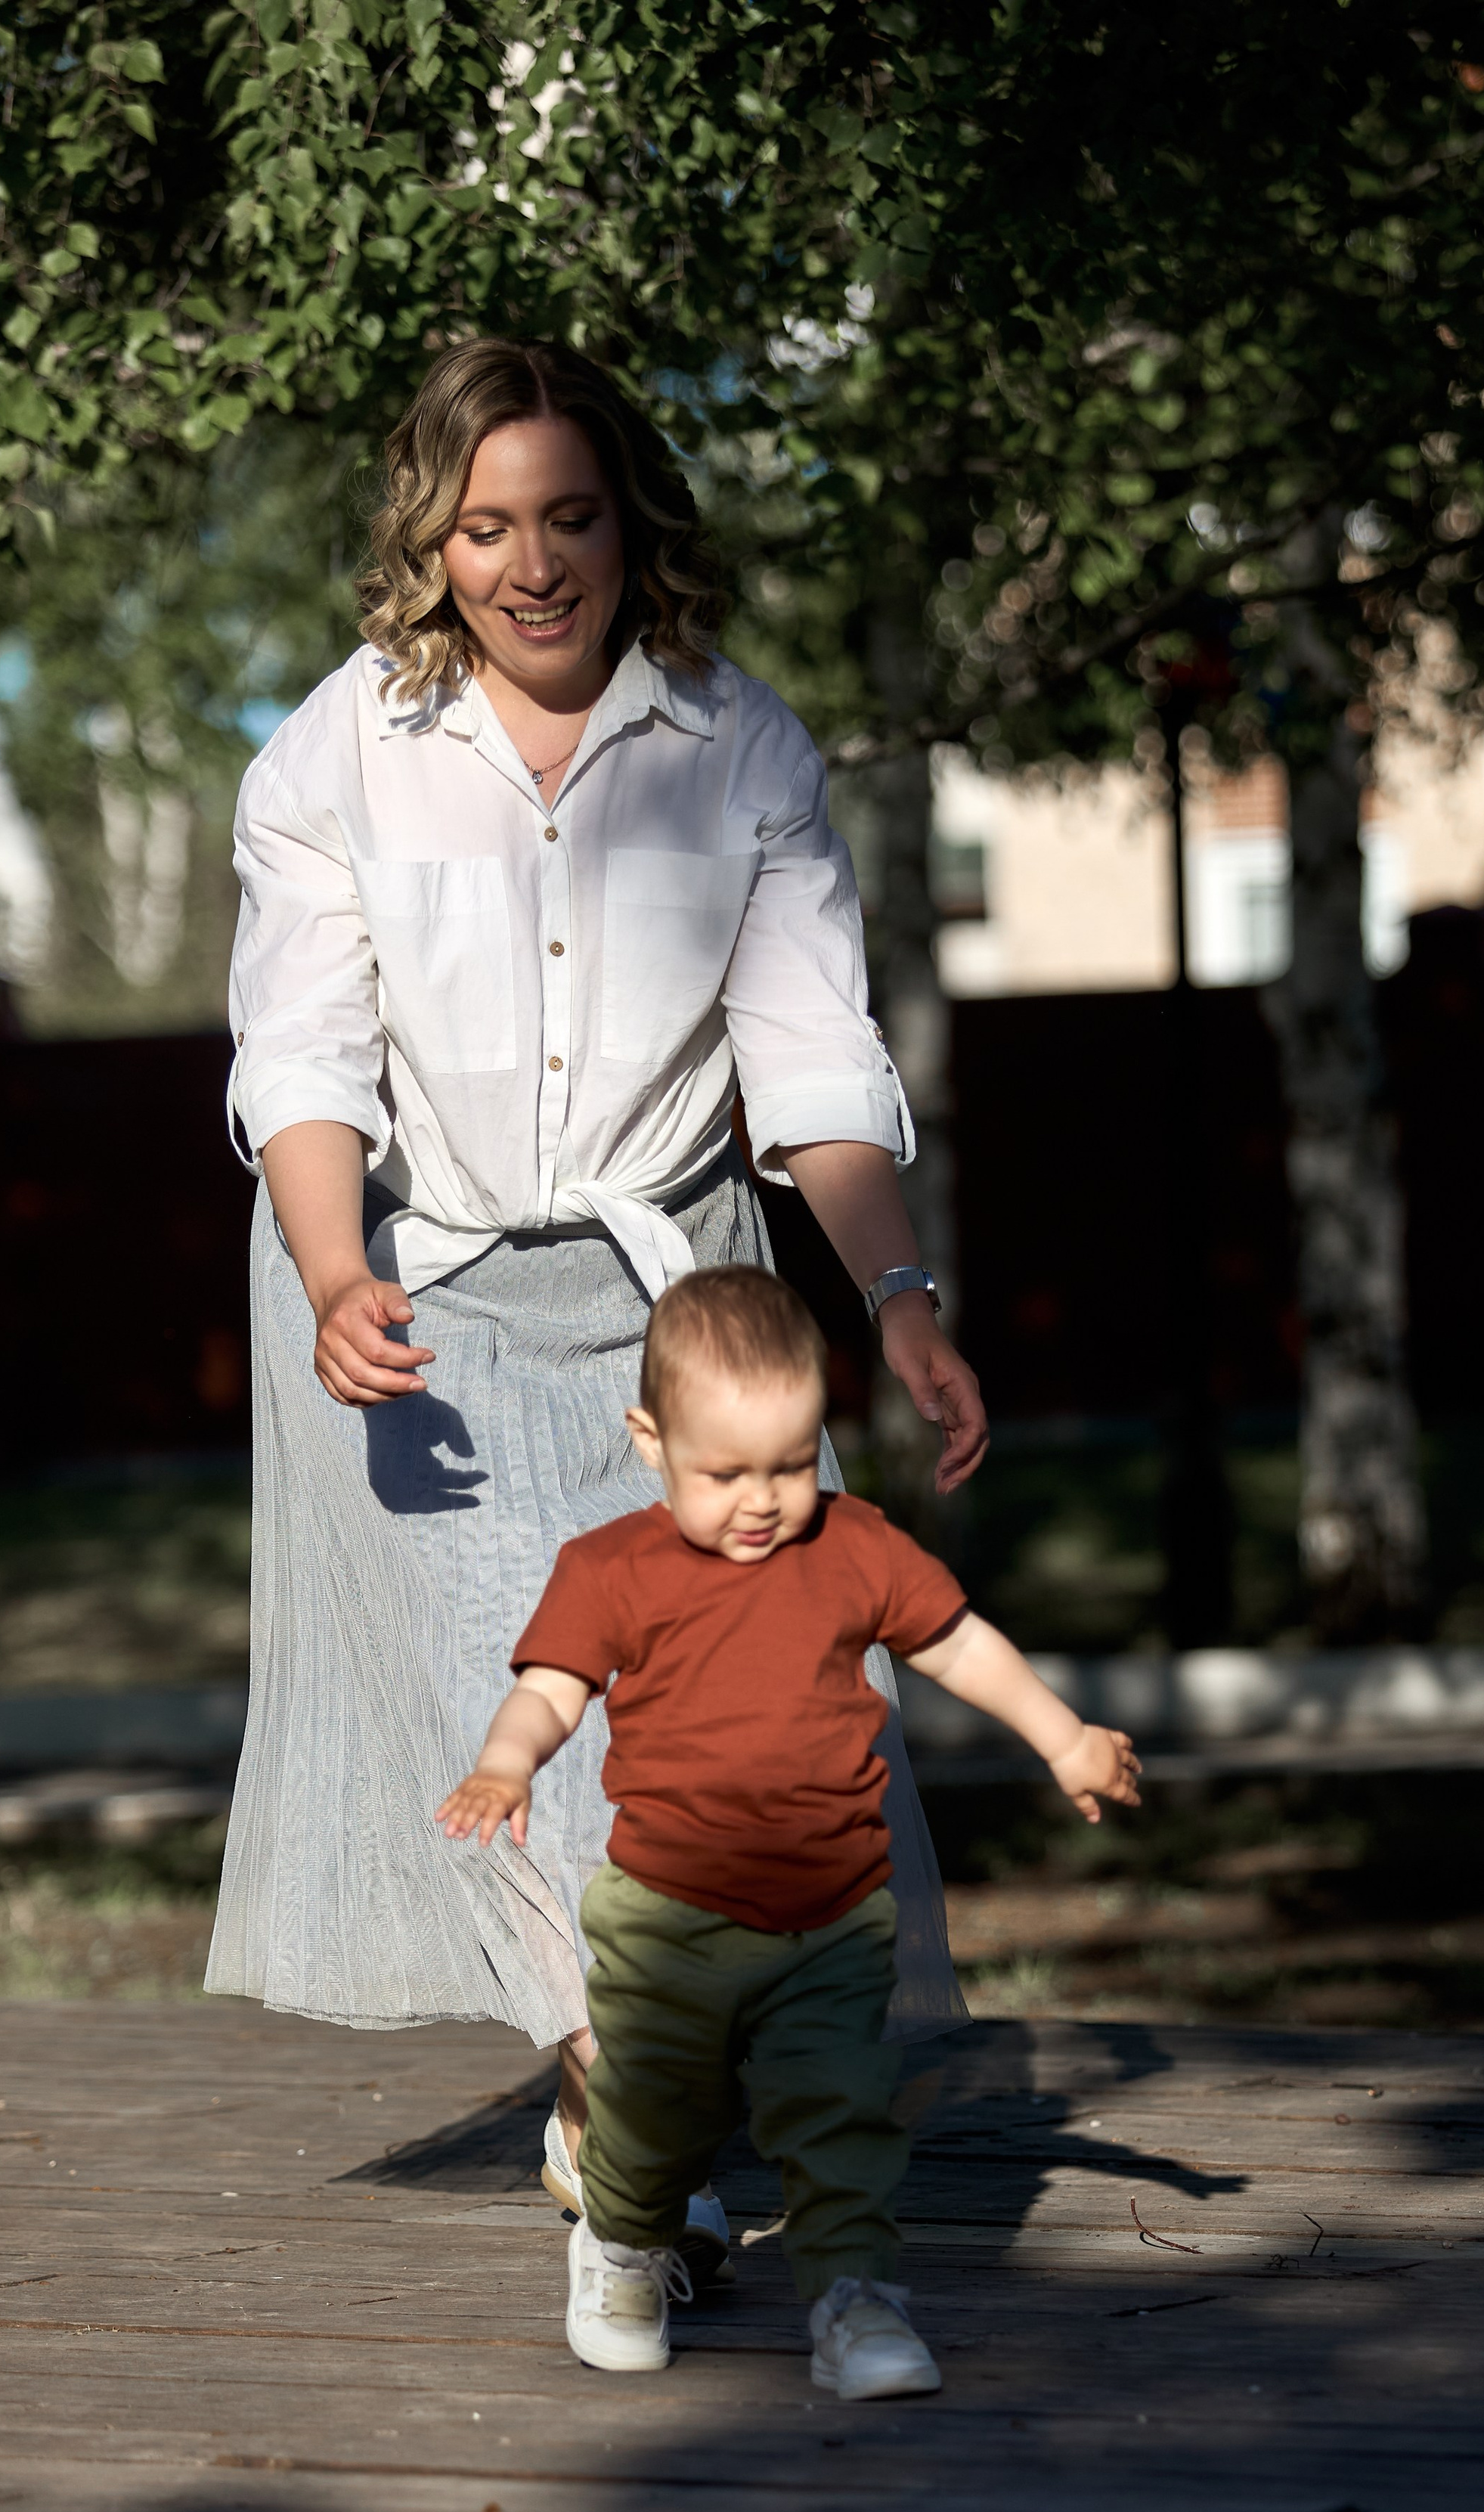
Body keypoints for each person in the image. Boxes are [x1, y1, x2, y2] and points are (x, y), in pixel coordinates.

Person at [207, 338, 988, 2269]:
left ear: (633, 523)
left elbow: (813, 1060)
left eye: (567, 517)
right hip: (413, 1289)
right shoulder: (339, 750)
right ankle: (614, 2099)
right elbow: (300, 1057)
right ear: (431, 540)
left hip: (678, 1288)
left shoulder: (740, 745)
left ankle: (646, 2091)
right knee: (530, 1713)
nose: (531, 564)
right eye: (484, 526)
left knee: (772, 1701)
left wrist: (895, 1294)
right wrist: (328, 1275)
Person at [437, 1267, 1141, 2396]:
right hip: (669, 1914)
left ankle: (855, 2299)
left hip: (831, 1912)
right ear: (650, 1441)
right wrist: (505, 1761)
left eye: (790, 1462)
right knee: (657, 2108)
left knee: (839, 2112)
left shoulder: (853, 1547)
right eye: (725, 1472)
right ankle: (620, 2244)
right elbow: (552, 1685)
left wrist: (1062, 1738)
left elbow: (961, 1645)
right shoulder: (613, 1567)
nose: (762, 1498)